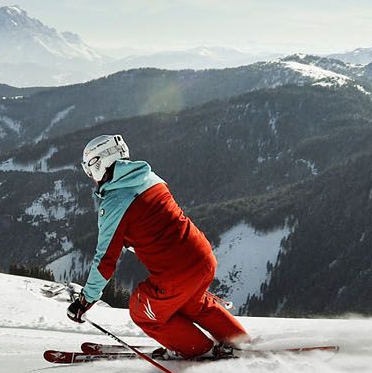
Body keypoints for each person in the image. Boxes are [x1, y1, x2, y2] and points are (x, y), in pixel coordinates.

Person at [66, 134, 252, 359]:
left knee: (141, 310)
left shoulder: (115, 203)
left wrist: (86, 300)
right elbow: (152, 224)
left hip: (177, 274)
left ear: (99, 164)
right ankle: (240, 342)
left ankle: (200, 349)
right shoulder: (150, 178)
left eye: (90, 171)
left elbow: (105, 260)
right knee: (193, 303)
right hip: (203, 258)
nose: (91, 178)